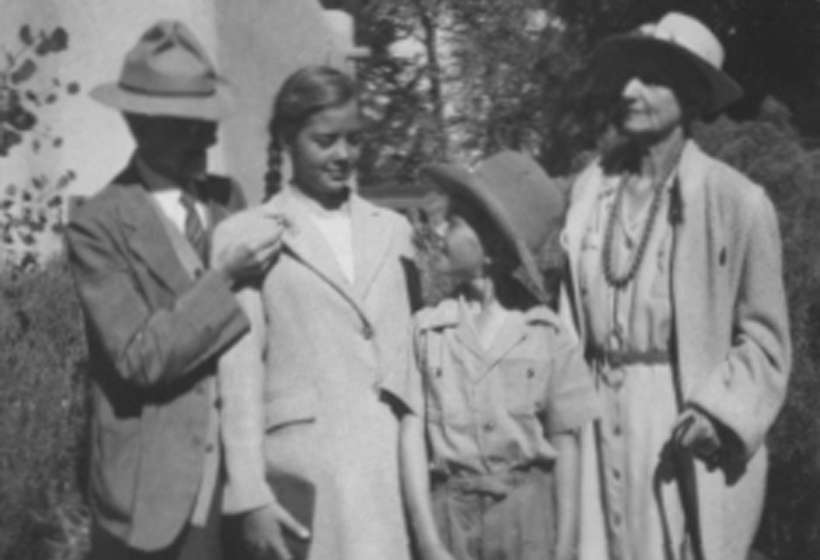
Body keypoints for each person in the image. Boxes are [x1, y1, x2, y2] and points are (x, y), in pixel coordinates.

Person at [560, 12, 792, 560]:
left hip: (675, 425)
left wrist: (720, 413)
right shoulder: (591, 193)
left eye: (652, 79)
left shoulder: (736, 203)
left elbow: (766, 343)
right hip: (594, 421)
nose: (630, 91)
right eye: (628, 76)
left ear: (692, 98)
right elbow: (569, 317)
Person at [66, 21, 286, 560]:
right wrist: (225, 279)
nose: (209, 138)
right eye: (191, 125)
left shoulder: (227, 200)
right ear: (140, 123)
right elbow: (139, 358)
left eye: (209, 123)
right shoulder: (98, 225)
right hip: (150, 497)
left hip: (237, 481)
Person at [217, 65, 416, 560]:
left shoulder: (394, 230)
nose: (343, 155)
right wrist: (249, 493)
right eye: (325, 141)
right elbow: (240, 377)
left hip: (390, 473)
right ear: (288, 138)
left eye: (354, 140)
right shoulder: (248, 234)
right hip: (306, 476)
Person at [383, 151, 598, 560]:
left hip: (528, 518)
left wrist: (566, 544)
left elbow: (566, 442)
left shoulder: (546, 333)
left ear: (493, 249)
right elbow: (412, 433)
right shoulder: (428, 329)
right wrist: (427, 538)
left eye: (455, 221)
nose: (439, 230)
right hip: (452, 516)